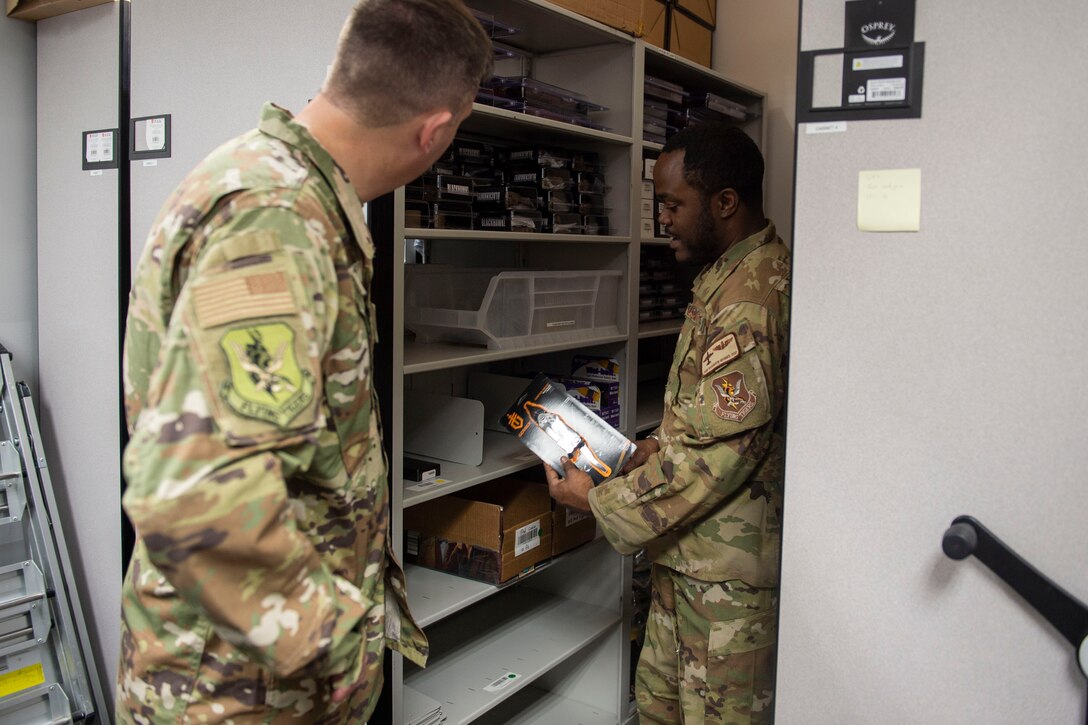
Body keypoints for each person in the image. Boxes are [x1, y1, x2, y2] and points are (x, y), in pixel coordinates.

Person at [116, 2, 492, 722]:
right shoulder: (277, 221)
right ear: (435, 130)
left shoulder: (295, 197)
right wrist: (331, 644)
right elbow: (195, 490)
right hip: (237, 688)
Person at [546, 122, 790, 724]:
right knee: (657, 708)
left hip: (725, 590)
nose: (664, 220)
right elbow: (707, 423)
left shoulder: (751, 300)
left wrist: (596, 500)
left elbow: (717, 460)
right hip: (686, 562)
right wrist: (651, 448)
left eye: (674, 205)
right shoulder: (726, 278)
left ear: (725, 202)